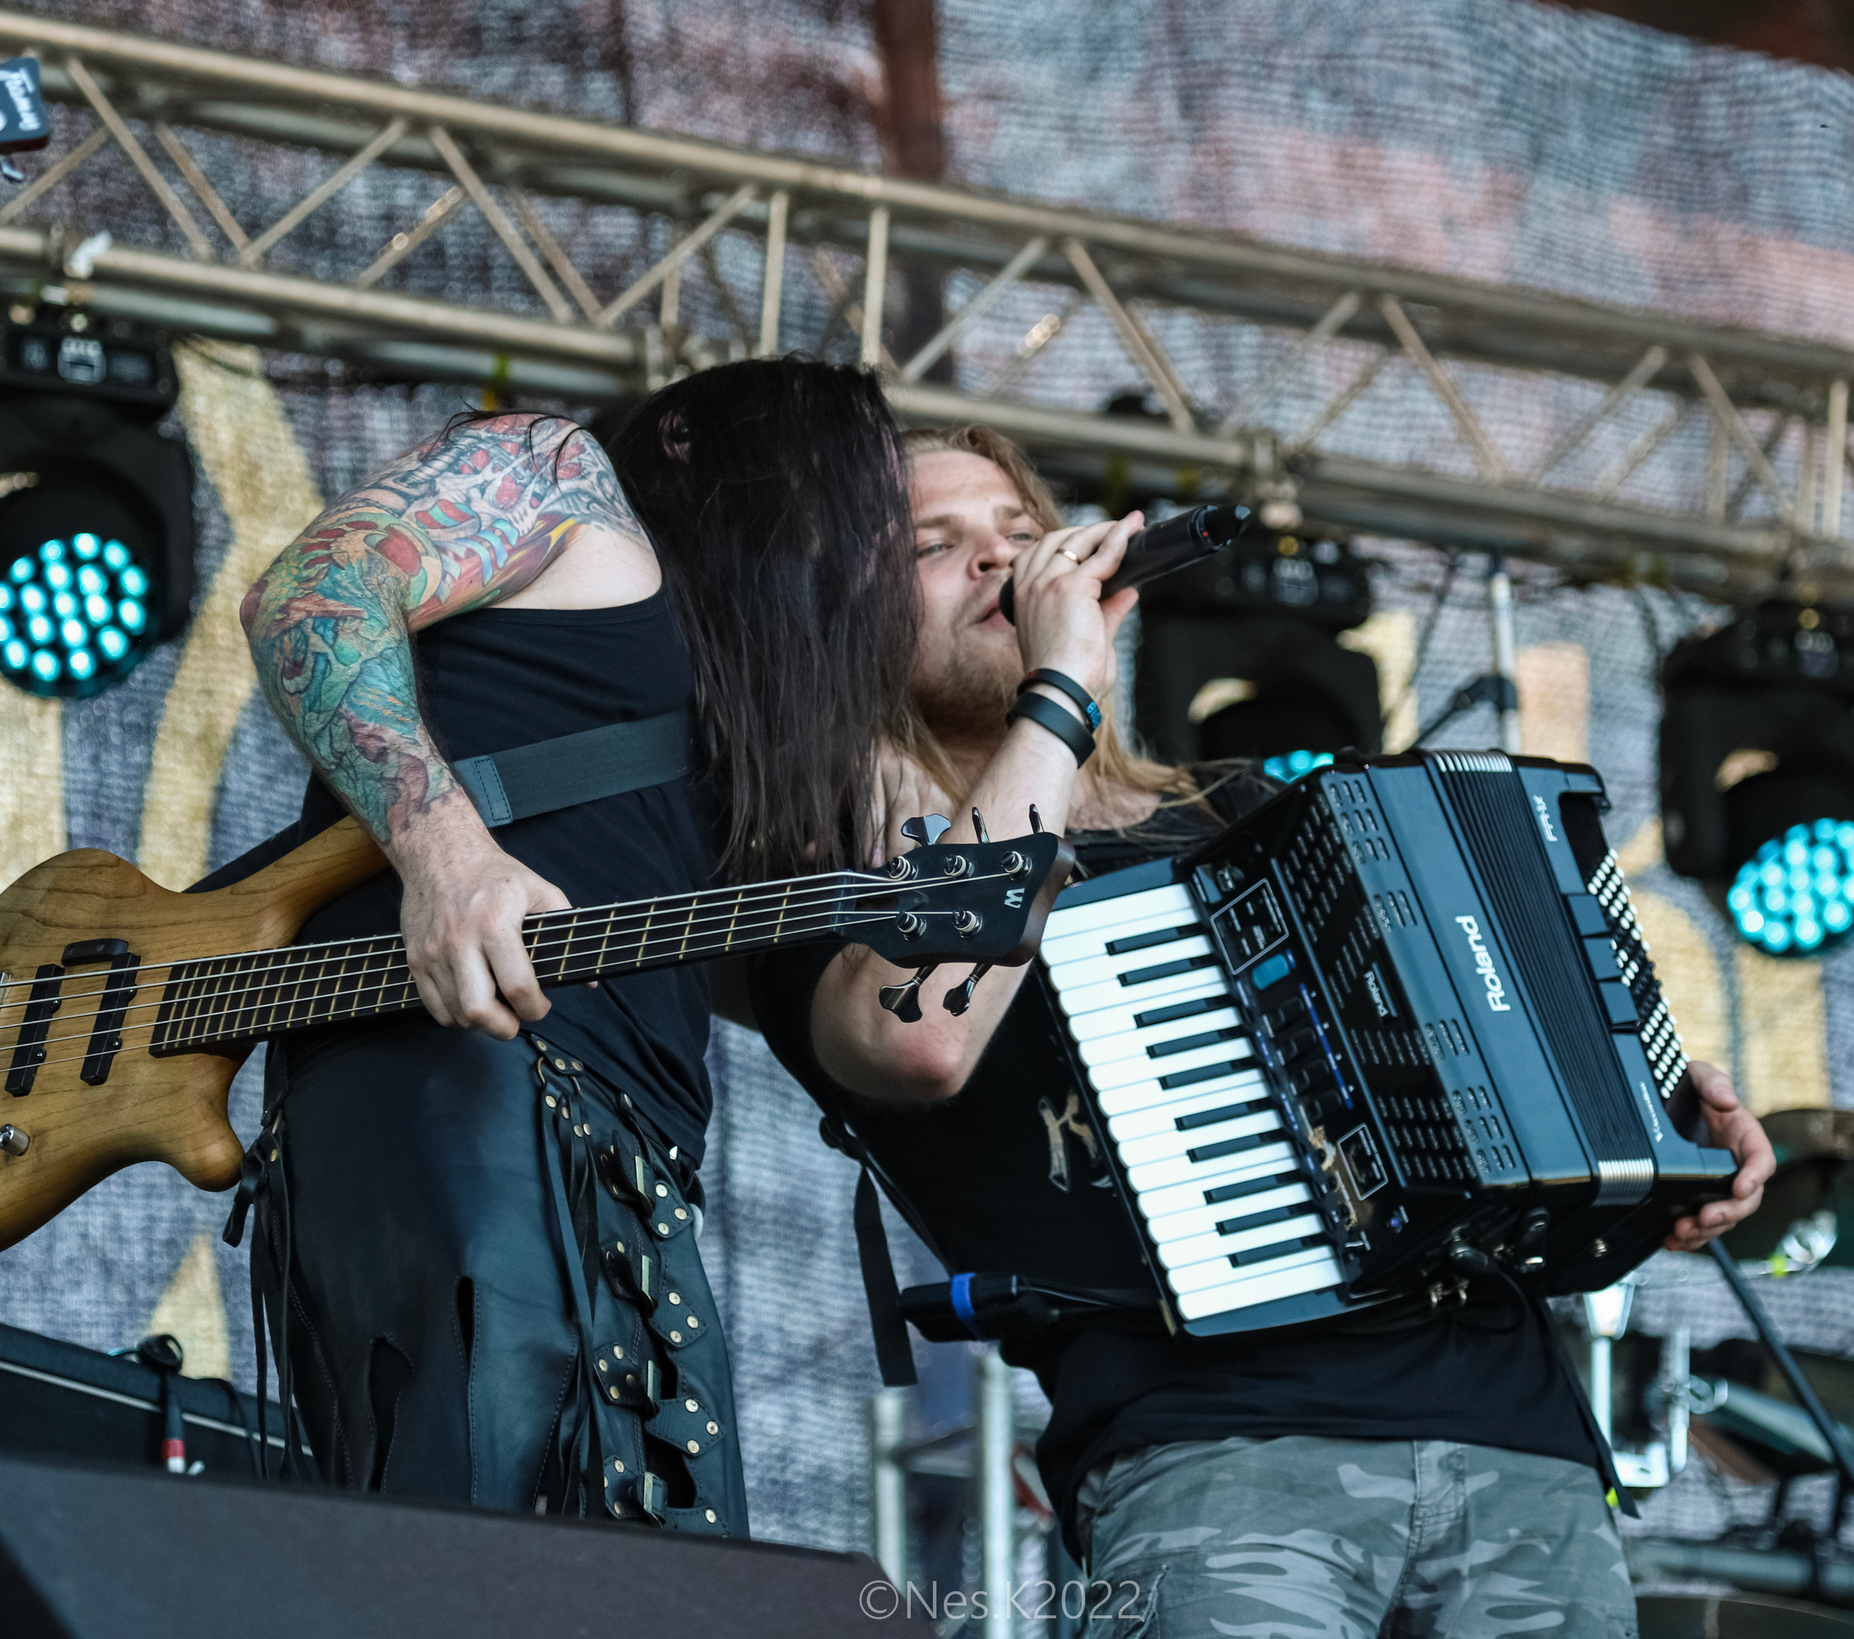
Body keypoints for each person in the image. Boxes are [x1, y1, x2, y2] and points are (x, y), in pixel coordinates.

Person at [742, 422, 1774, 1637]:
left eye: (1022, 536)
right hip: (1210, 1454)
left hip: (1517, 1437)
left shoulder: (1251, 808)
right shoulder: (834, 888)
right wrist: (1059, 695)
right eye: (935, 545)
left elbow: (1461, 1084)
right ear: (837, 624)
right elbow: (917, 1041)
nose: (1001, 566)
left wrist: (1652, 1136)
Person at [236, 356, 916, 1530]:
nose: (871, 540)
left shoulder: (735, 725)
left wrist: (1055, 689)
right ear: (703, 446)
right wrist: (447, 853)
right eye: (857, 491)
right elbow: (313, 590)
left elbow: (881, 1022)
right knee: (472, 1571)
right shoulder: (561, 479)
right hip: (474, 1097)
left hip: (626, 1164)